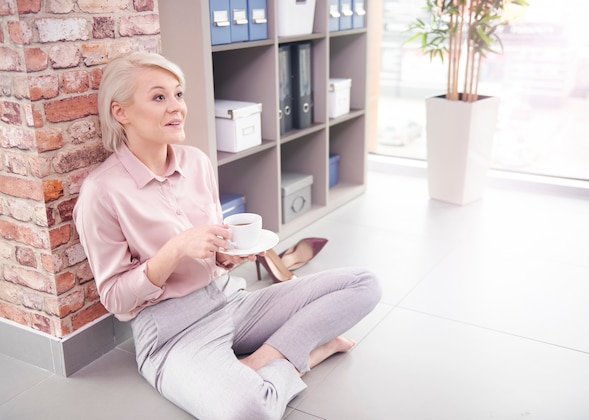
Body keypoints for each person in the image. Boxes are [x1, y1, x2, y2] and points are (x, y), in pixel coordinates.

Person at [72, 51, 382, 420]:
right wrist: (174, 250)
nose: (177, 107)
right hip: (172, 332)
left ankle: (263, 360)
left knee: (365, 284)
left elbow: (216, 251)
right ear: (120, 112)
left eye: (178, 94)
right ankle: (310, 352)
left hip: (232, 301)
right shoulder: (101, 192)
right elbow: (115, 300)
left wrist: (226, 256)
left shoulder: (196, 163)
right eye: (159, 97)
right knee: (247, 410)